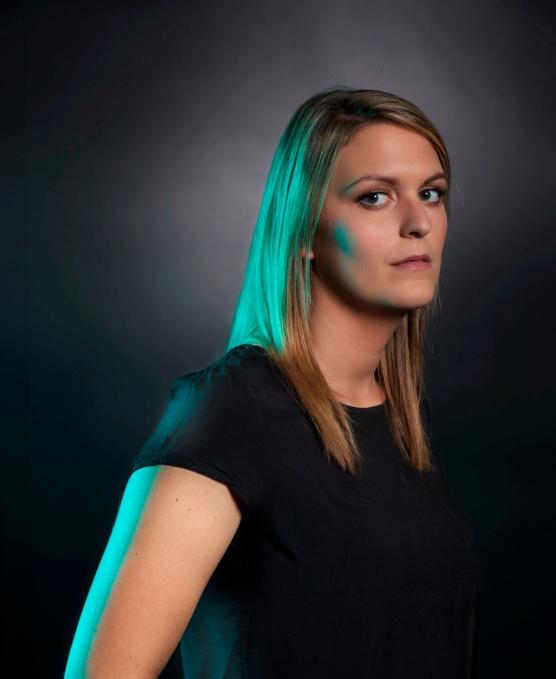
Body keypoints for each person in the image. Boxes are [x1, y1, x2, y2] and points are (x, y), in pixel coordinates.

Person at [65, 86, 482, 678]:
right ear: (305, 231)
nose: (418, 223)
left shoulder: (403, 420)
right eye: (375, 197)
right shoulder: (232, 411)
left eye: (432, 193)